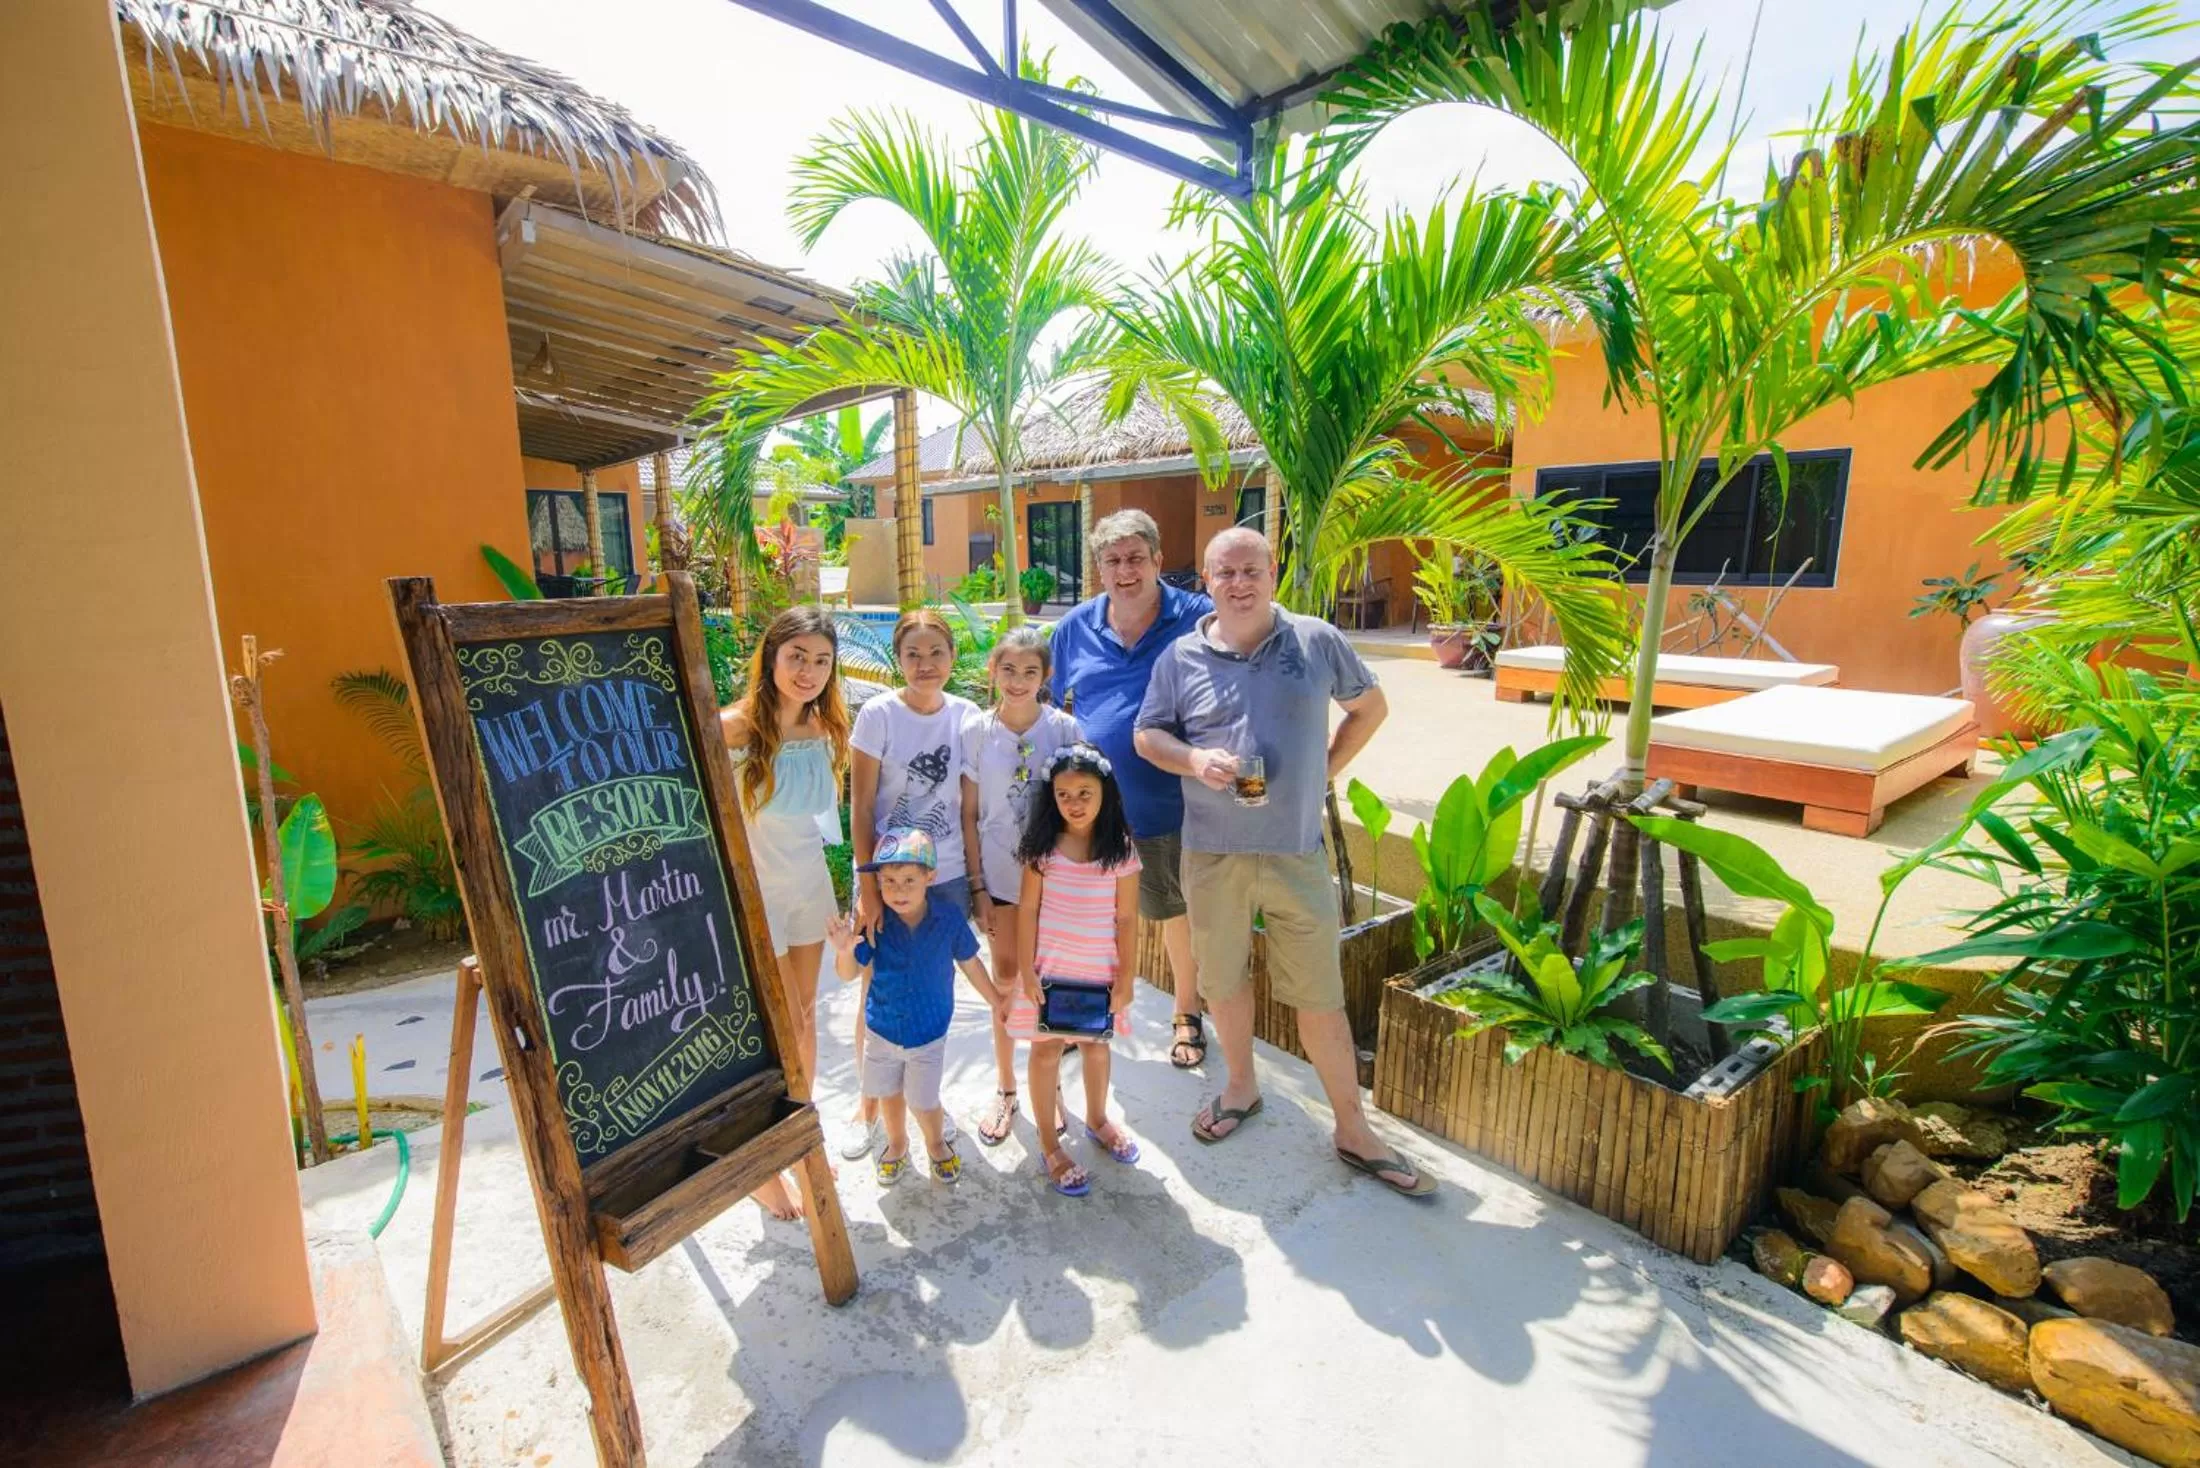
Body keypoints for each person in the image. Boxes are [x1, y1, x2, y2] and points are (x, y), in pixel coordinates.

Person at [1134, 527, 1433, 1198]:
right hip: (1212, 853)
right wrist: (1193, 759)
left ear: (1273, 575)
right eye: (1224, 572)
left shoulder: (1316, 640)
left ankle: (1353, 1128)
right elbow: (1146, 735)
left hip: (1296, 853)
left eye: (1251, 570)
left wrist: (1325, 770)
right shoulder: (1180, 657)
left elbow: (1370, 707)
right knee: (1223, 980)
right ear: (1205, 582)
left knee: (1320, 995)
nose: (1239, 583)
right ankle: (1241, 1088)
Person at [1046, 509, 1214, 1070]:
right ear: (1098, 568)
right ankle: (1081, 1013)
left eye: (1136, 558)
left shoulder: (1197, 617)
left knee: (1173, 912)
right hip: (1091, 813)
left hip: (1169, 802)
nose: (1125, 571)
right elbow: (1048, 704)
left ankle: (1187, 1013)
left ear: (1158, 561)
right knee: (1085, 915)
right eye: (1113, 561)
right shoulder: (1075, 627)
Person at [719, 606, 848, 1222]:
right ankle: (759, 1167)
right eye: (797, 656)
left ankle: (797, 1140)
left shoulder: (825, 726)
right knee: (764, 1032)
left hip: (808, 889)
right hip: (758, 896)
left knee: (802, 1020)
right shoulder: (736, 728)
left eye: (821, 660)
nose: (809, 671)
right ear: (770, 658)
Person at [845, 609, 977, 1157]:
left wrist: (981, 883)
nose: (926, 665)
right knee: (874, 985)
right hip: (886, 874)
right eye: (913, 655)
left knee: (933, 987)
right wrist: (867, 884)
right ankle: (868, 1106)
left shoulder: (968, 716)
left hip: (945, 875)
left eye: (936, 653)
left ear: (952, 657)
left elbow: (969, 807)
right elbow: (860, 805)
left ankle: (924, 1100)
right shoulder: (878, 714)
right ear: (898, 659)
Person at [959, 625, 1081, 1146]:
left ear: (1045, 677)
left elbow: (1083, 809)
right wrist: (978, 887)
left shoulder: (1065, 731)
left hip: (1054, 886)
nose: (1017, 681)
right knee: (1007, 978)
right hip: (1000, 880)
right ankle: (1008, 1088)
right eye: (1007, 669)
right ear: (992, 671)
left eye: (1030, 672)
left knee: (1048, 983)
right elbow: (969, 814)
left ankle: (1046, 1084)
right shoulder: (976, 732)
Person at [827, 829, 1005, 1186]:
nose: (898, 890)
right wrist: (844, 950)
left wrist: (997, 1001)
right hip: (881, 1032)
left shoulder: (949, 919)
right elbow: (849, 974)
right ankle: (897, 1143)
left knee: (924, 1100)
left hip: (927, 1034)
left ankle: (936, 1143)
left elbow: (970, 963)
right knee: (889, 1095)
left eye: (909, 879)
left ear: (931, 877)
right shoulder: (875, 922)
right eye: (889, 881)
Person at [1012, 744, 1142, 1197]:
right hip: (1049, 972)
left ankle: (1099, 1120)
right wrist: (1028, 972)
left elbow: (1126, 918)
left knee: (1096, 1049)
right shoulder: (1042, 850)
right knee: (1045, 1052)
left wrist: (1126, 977)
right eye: (1064, 794)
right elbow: (1027, 910)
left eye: (1085, 792)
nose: (1075, 803)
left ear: (1105, 792)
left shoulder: (1121, 851)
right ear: (1052, 798)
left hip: (1097, 973)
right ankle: (1049, 1143)